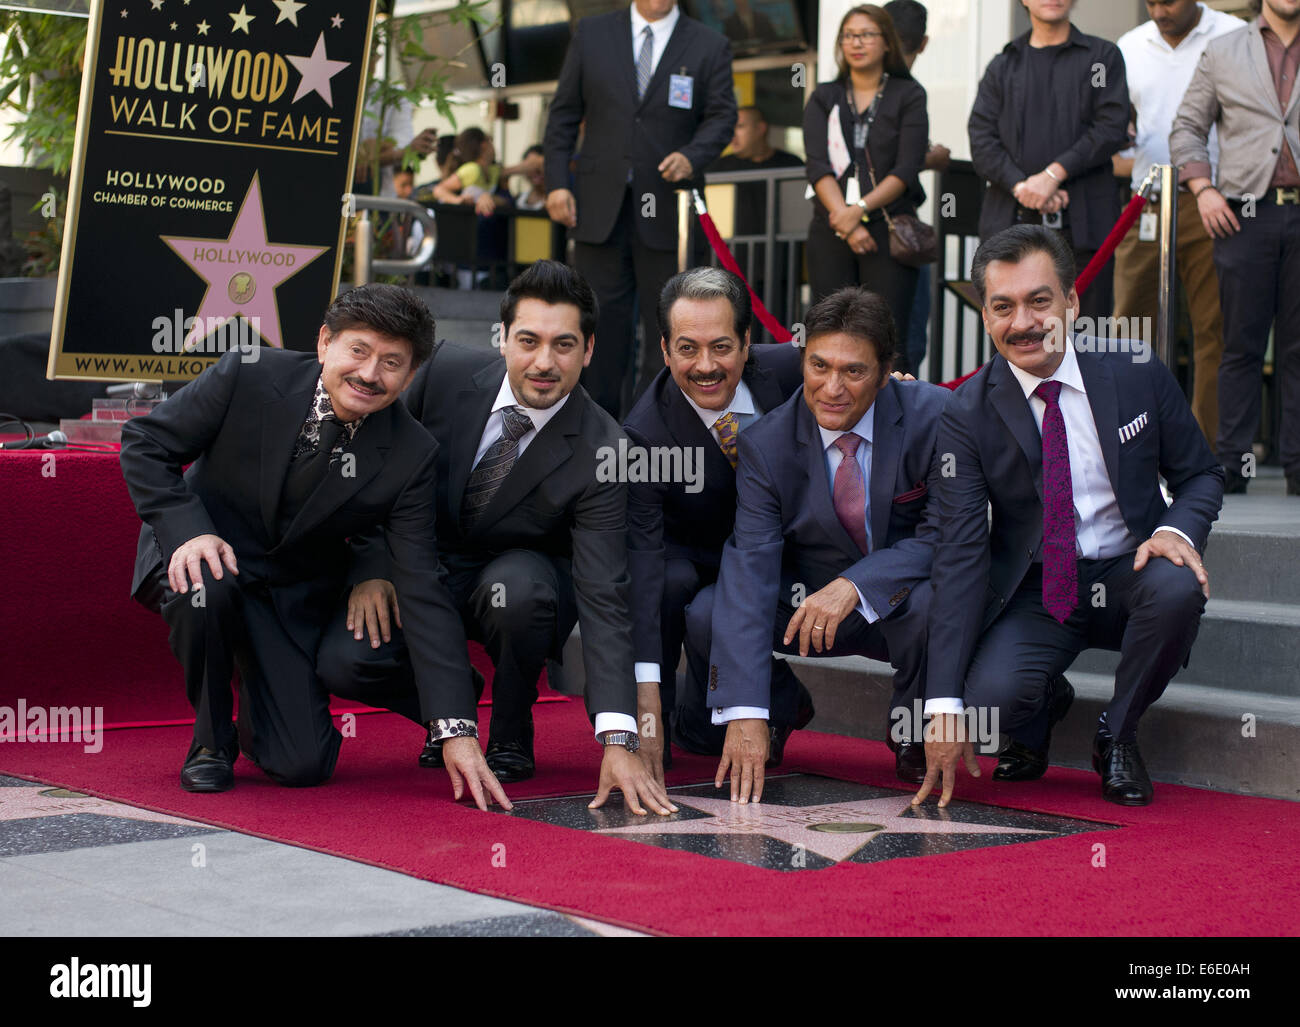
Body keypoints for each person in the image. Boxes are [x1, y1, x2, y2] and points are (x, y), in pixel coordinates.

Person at [119, 285, 509, 810]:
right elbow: (147, 444)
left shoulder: (413, 453)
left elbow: (421, 584)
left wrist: (455, 726)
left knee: (302, 765)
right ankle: (210, 743)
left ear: (411, 375)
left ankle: (268, 681)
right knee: (207, 591)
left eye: (392, 362)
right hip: (204, 552)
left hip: (285, 594)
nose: (371, 374)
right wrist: (187, 528)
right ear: (325, 342)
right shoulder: (249, 374)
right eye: (359, 351)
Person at [319, 262, 676, 816]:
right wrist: (372, 565)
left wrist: (619, 739)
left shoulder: (607, 447)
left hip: (521, 586)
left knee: (521, 588)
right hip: (421, 567)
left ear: (588, 350)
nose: (543, 362)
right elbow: (375, 469)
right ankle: (448, 706)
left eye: (564, 345)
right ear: (503, 336)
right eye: (528, 340)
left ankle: (511, 725)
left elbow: (605, 595)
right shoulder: (441, 373)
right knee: (345, 660)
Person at [919, 226, 1225, 810]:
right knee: (989, 711)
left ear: (1072, 303)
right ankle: (1042, 699)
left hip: (1131, 567)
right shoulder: (967, 413)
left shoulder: (1135, 369)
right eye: (1003, 307)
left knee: (1178, 585)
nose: (1024, 323)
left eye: (1039, 301)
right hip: (1039, 590)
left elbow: (1201, 474)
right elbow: (958, 550)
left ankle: (1117, 733)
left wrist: (1173, 531)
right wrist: (942, 707)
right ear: (985, 316)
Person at [687, 286, 949, 802]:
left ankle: (913, 731)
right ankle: (781, 707)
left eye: (854, 371)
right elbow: (751, 563)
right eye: (819, 366)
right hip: (805, 605)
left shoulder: (935, 415)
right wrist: (746, 710)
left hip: (896, 605)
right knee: (707, 610)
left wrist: (857, 584)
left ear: (886, 369)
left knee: (935, 603)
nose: (832, 387)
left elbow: (948, 533)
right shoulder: (766, 442)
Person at [622, 267, 806, 783]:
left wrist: (895, 387)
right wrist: (646, 701)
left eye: (721, 346)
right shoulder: (643, 435)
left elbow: (864, 381)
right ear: (664, 350)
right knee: (702, 731)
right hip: (709, 569)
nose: (706, 367)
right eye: (687, 349)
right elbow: (643, 566)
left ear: (748, 342)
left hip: (805, 556)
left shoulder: (797, 372)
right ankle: (782, 697)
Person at [543, 0, 737, 419]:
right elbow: (562, 115)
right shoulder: (591, 34)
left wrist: (692, 155)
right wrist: (557, 183)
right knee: (598, 330)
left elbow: (722, 117)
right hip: (597, 210)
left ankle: (656, 432)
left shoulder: (709, 43)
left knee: (669, 330)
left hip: (669, 210)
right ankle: (591, 433)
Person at [1170, 0, 1300, 496]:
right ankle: (1234, 465)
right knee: (1239, 346)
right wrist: (1202, 190)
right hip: (1245, 215)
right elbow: (1186, 128)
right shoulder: (1224, 51)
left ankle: (1298, 468)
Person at [1113, 0, 1239, 448]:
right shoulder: (1129, 45)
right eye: (1151, 2)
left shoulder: (1233, 33)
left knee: (1214, 328)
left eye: (1169, 1)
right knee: (1130, 327)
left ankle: (1206, 449)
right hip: (1146, 203)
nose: (1159, 10)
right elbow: (1115, 121)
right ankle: (1131, 440)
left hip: (1215, 200)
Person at [967, 0, 1130, 323]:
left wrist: (1053, 175)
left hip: (1084, 225)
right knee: (1014, 333)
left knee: (1085, 335)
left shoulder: (1102, 57)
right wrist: (1024, 186)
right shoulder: (1003, 64)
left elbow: (1110, 127)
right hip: (1010, 223)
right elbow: (981, 138)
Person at [803, 5, 929, 372]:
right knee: (828, 331)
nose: (856, 43)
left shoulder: (908, 94)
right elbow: (817, 165)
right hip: (831, 227)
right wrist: (845, 220)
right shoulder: (824, 96)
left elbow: (906, 168)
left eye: (867, 34)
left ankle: (894, 421)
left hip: (889, 229)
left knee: (888, 337)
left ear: (887, 42)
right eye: (849, 35)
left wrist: (858, 211)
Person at [884, 0, 950, 378]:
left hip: (851, 223)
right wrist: (930, 158)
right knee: (905, 342)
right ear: (922, 43)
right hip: (897, 227)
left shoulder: (849, 87)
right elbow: (882, 154)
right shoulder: (907, 90)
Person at [514, 144, 548, 211]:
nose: (536, 171)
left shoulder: (556, 200)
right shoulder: (518, 199)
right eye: (530, 166)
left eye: (539, 166)